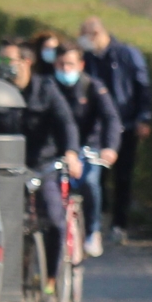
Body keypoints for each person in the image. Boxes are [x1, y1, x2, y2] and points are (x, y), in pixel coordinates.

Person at [9, 45, 84, 297]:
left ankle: (50, 281)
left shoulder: (46, 89)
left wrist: (71, 152)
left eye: (12, 60)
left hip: (44, 166)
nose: (7, 66)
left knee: (54, 220)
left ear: (27, 62)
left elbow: (66, 122)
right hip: (10, 169)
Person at [77, 18, 151, 236]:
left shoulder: (127, 54)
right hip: (97, 127)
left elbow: (142, 87)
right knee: (95, 176)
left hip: (126, 124)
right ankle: (96, 220)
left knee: (123, 176)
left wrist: (144, 118)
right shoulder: (88, 58)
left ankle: (120, 223)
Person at [54, 45, 123, 258]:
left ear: (81, 65)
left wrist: (110, 148)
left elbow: (111, 119)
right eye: (61, 64)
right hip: (59, 149)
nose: (65, 69)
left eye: (70, 64)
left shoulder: (92, 87)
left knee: (91, 182)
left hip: (88, 149)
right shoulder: (49, 87)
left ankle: (93, 230)